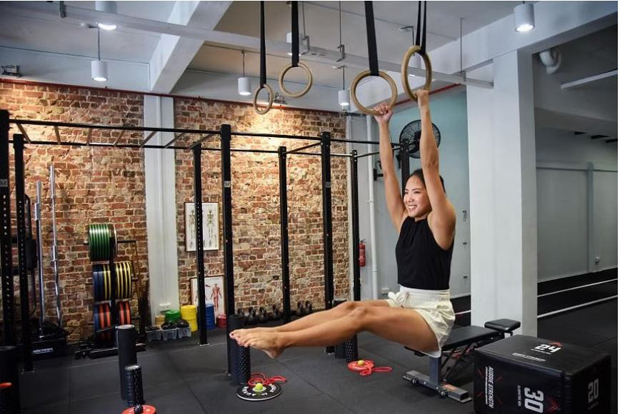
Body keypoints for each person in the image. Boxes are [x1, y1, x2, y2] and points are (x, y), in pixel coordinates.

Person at [230, 90, 456, 359]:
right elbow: (387, 170)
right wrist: (382, 125)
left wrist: (425, 109)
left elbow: (430, 165)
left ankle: (283, 342)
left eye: (416, 192)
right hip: (404, 302)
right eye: (407, 192)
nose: (408, 198)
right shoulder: (405, 221)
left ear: (434, 193)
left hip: (431, 316)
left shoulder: (442, 222)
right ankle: (278, 332)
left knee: (361, 315)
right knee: (349, 307)